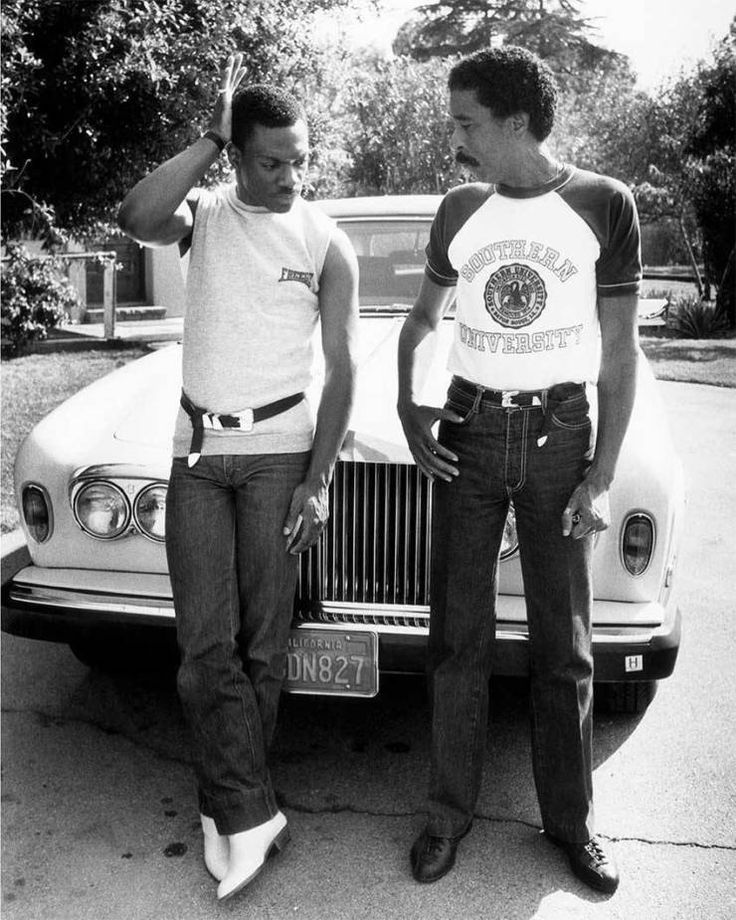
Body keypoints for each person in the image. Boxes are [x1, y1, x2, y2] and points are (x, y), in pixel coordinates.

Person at [397, 45, 641, 895]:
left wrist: (601, 475)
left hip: (558, 434)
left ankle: (571, 825)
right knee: (457, 638)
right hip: (468, 429)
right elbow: (424, 320)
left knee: (562, 644)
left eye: (467, 122)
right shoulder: (460, 208)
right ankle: (445, 816)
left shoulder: (604, 204)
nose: (457, 139)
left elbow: (619, 351)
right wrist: (407, 398)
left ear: (515, 122)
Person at [118, 54, 358, 901]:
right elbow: (135, 214)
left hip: (281, 456)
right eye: (270, 160)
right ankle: (249, 809)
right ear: (237, 152)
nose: (290, 175)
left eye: (300, 158)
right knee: (201, 647)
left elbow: (344, 369)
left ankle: (229, 811)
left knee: (262, 644)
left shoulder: (326, 240)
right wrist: (208, 140)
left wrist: (318, 479)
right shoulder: (204, 215)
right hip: (198, 457)